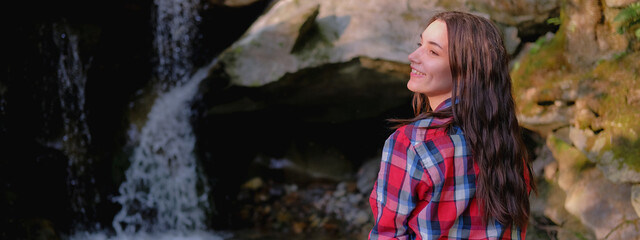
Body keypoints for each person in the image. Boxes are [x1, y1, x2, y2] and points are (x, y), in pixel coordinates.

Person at [369, 11, 536, 239]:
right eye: (420, 44)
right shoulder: (506, 142)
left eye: (433, 52)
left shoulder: (413, 142)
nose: (413, 56)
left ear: (466, 71)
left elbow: (387, 235)